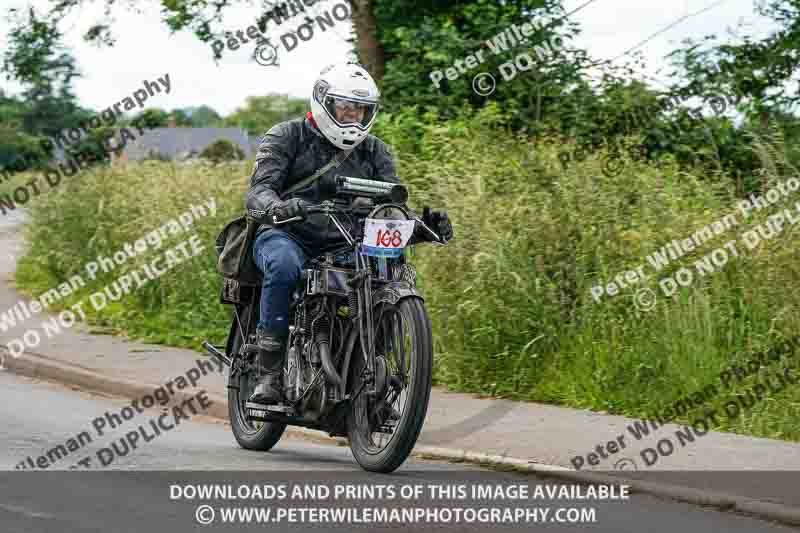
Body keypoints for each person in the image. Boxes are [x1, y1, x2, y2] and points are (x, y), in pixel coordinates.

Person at [244, 62, 453, 405]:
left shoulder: (376, 151)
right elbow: (258, 191)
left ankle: (367, 374)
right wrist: (279, 208)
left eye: (361, 109)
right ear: (324, 102)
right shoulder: (286, 136)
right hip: (288, 234)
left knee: (386, 275)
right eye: (345, 106)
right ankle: (269, 373)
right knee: (283, 266)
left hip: (348, 242)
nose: (353, 116)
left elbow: (388, 208)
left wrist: (422, 227)